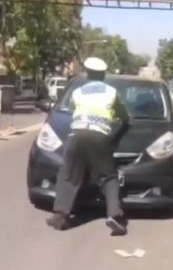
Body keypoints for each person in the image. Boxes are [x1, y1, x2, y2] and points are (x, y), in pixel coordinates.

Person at [46, 57, 130, 235]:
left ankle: (60, 216)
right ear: (103, 75)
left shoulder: (78, 92)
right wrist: (120, 127)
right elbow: (124, 117)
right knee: (108, 177)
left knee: (69, 175)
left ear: (88, 74)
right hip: (100, 137)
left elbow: (72, 111)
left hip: (77, 136)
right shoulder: (111, 92)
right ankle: (114, 215)